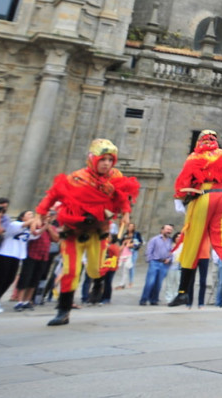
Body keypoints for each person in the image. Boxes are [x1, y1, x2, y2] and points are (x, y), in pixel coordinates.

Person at [35, 139, 139, 326]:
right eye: (103, 159)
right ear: (93, 159)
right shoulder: (76, 178)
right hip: (73, 231)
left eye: (110, 159)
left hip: (98, 231)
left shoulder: (115, 177)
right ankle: (63, 311)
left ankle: (98, 282)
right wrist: (39, 214)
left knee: (95, 269)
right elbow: (52, 195)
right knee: (71, 271)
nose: (106, 163)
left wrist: (126, 214)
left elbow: (122, 196)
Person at [168, 129, 222, 308]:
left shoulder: (194, 157)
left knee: (192, 242)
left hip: (204, 197)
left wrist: (179, 199)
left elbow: (183, 179)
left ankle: (182, 293)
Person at [0, 209, 38, 313]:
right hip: (5, 255)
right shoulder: (15, 224)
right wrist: (38, 216)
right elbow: (25, 224)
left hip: (16, 256)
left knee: (9, 280)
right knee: (1, 280)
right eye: (29, 214)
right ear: (22, 217)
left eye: (32, 214)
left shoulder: (28, 230)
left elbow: (37, 234)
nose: (31, 216)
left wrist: (45, 223)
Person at [139, 224, 174, 306]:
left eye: (170, 230)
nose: (169, 231)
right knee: (150, 282)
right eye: (167, 229)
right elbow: (149, 250)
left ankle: (154, 299)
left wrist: (169, 259)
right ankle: (144, 299)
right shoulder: (154, 239)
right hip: (155, 262)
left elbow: (172, 252)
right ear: (162, 230)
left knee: (158, 283)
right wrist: (150, 260)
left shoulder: (171, 241)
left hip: (165, 264)